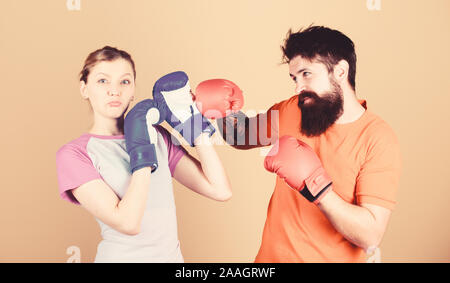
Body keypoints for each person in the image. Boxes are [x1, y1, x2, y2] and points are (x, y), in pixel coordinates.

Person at [214, 26, 402, 262]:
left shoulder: (377, 138)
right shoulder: (293, 109)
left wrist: (318, 189)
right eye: (294, 77)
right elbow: (240, 136)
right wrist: (221, 108)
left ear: (341, 71)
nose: (298, 87)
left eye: (306, 74)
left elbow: (370, 234)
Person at [55, 46, 232, 263]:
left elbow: (220, 190)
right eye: (103, 81)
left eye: (125, 81)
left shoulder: (157, 135)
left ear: (133, 90)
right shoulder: (75, 154)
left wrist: (194, 125)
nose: (115, 90)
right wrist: (141, 149)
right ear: (84, 89)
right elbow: (128, 223)